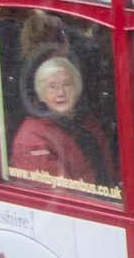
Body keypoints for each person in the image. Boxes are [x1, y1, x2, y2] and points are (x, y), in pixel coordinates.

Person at [9, 50, 116, 188]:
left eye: (67, 84)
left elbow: (110, 172)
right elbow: (59, 193)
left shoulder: (87, 123)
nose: (60, 93)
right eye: (52, 87)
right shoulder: (32, 136)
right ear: (41, 94)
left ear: (77, 89)